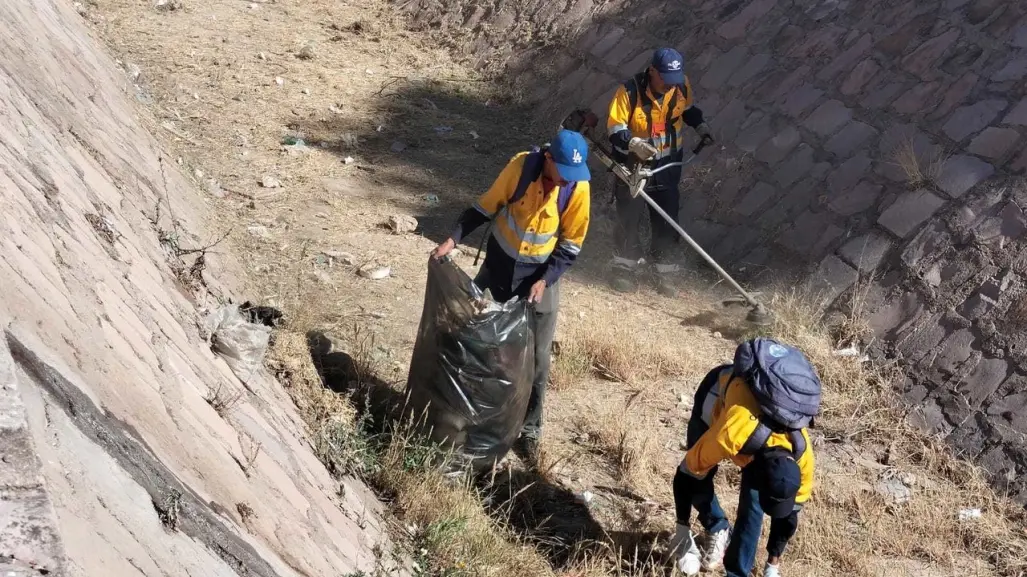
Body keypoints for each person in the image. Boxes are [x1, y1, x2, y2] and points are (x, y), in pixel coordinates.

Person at [432, 129, 592, 464]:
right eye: (564, 172)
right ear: (549, 160)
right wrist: (453, 239)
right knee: (471, 336)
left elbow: (571, 245)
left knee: (537, 360)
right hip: (499, 268)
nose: (568, 181)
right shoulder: (520, 168)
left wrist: (545, 281)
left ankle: (530, 430)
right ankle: (461, 413)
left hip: (540, 279)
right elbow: (485, 206)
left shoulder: (577, 187)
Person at [670, 338, 818, 577]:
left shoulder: (802, 455)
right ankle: (716, 525)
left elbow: (787, 520)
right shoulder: (731, 433)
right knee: (699, 475)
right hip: (716, 394)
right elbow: (686, 472)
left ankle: (736, 573)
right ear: (752, 469)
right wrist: (682, 531)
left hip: (757, 444)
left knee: (752, 510)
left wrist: (772, 567)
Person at [606, 47, 712, 297]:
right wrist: (633, 143)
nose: (669, 85)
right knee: (629, 215)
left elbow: (688, 110)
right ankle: (625, 266)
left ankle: (664, 271)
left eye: (673, 79)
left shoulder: (680, 85)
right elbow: (614, 128)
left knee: (667, 217)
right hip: (633, 165)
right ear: (652, 71)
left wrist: (701, 126)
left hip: (668, 166)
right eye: (664, 78)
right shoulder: (628, 92)